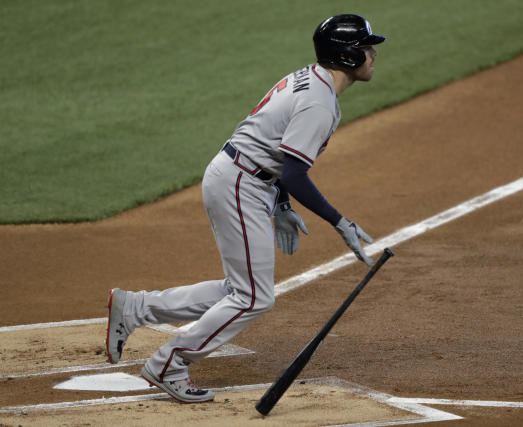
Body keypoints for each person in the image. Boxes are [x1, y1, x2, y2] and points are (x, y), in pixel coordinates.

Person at [105, 14, 386, 403]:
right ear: (349, 56)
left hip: (242, 177)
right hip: (241, 183)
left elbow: (279, 152)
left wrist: (281, 204)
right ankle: (169, 363)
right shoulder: (319, 103)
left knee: (241, 289)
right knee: (254, 297)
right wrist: (339, 222)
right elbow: (294, 173)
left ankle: (137, 307)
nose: (373, 54)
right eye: (367, 47)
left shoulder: (312, 80)